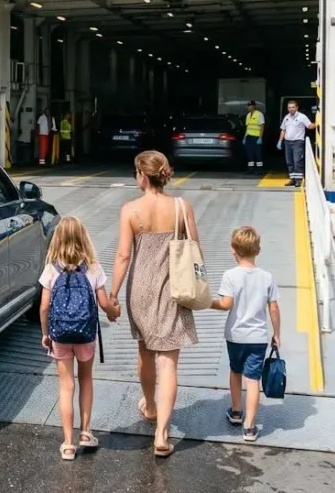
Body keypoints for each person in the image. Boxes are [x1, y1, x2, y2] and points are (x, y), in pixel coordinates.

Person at [110, 150, 200, 457]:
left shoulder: (130, 210)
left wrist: (111, 294)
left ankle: (149, 405)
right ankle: (162, 433)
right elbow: (194, 249)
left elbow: (123, 256)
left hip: (141, 290)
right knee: (169, 362)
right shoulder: (181, 207)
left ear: (142, 175)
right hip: (174, 289)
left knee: (146, 351)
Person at [38, 216, 121, 460]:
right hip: (85, 335)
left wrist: (46, 334)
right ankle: (85, 432)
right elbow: (105, 304)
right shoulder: (93, 267)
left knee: (66, 386)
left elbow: (43, 306)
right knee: (86, 380)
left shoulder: (52, 268)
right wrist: (115, 312)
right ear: (84, 238)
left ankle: (68, 443)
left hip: (60, 335)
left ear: (58, 239)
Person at [209, 226, 280, 442]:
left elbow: (225, 304)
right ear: (257, 249)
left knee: (235, 372)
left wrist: (208, 303)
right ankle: (249, 427)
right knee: (252, 381)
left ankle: (236, 411)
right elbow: (274, 308)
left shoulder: (230, 275)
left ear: (233, 250)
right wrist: (277, 333)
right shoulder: (267, 277)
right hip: (257, 338)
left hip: (235, 336)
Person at [277, 101, 317, 187]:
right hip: (287, 142)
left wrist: (318, 123)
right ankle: (292, 179)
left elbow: (309, 126)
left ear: (297, 107)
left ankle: (298, 180)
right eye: (289, 107)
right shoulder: (286, 117)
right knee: (289, 161)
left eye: (293, 107)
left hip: (297, 142)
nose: (291, 109)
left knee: (297, 161)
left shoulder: (302, 117)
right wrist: (280, 141)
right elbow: (283, 130)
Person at [244, 101, 265, 172]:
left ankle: (259, 169)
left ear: (254, 106)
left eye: (250, 105)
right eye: (248, 106)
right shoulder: (248, 115)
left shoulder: (259, 114)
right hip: (249, 137)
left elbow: (262, 126)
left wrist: (260, 137)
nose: (249, 107)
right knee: (249, 153)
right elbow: (248, 127)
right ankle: (250, 168)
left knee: (257, 153)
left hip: (256, 137)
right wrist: (244, 137)